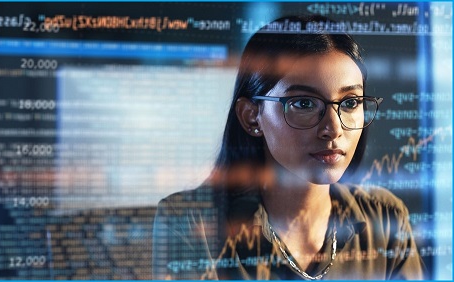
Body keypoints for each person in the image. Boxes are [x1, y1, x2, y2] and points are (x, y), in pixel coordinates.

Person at [152, 15, 426, 280]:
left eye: (351, 102)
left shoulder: (385, 218)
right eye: (304, 103)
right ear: (251, 116)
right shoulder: (190, 222)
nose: (333, 128)